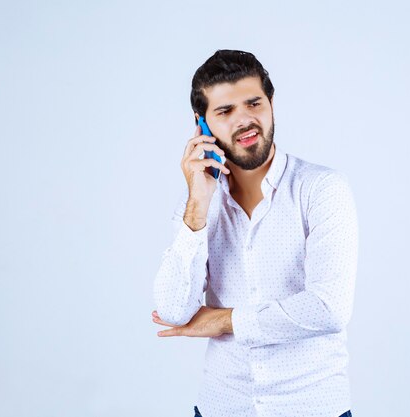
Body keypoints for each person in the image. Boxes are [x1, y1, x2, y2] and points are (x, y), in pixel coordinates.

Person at [152, 49, 358, 417]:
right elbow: (172, 309)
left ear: (272, 104)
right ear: (201, 125)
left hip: (312, 408)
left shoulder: (321, 189)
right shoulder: (199, 207)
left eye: (253, 103)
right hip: (221, 407)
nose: (245, 120)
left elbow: (328, 308)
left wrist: (223, 319)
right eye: (225, 111)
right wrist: (198, 202)